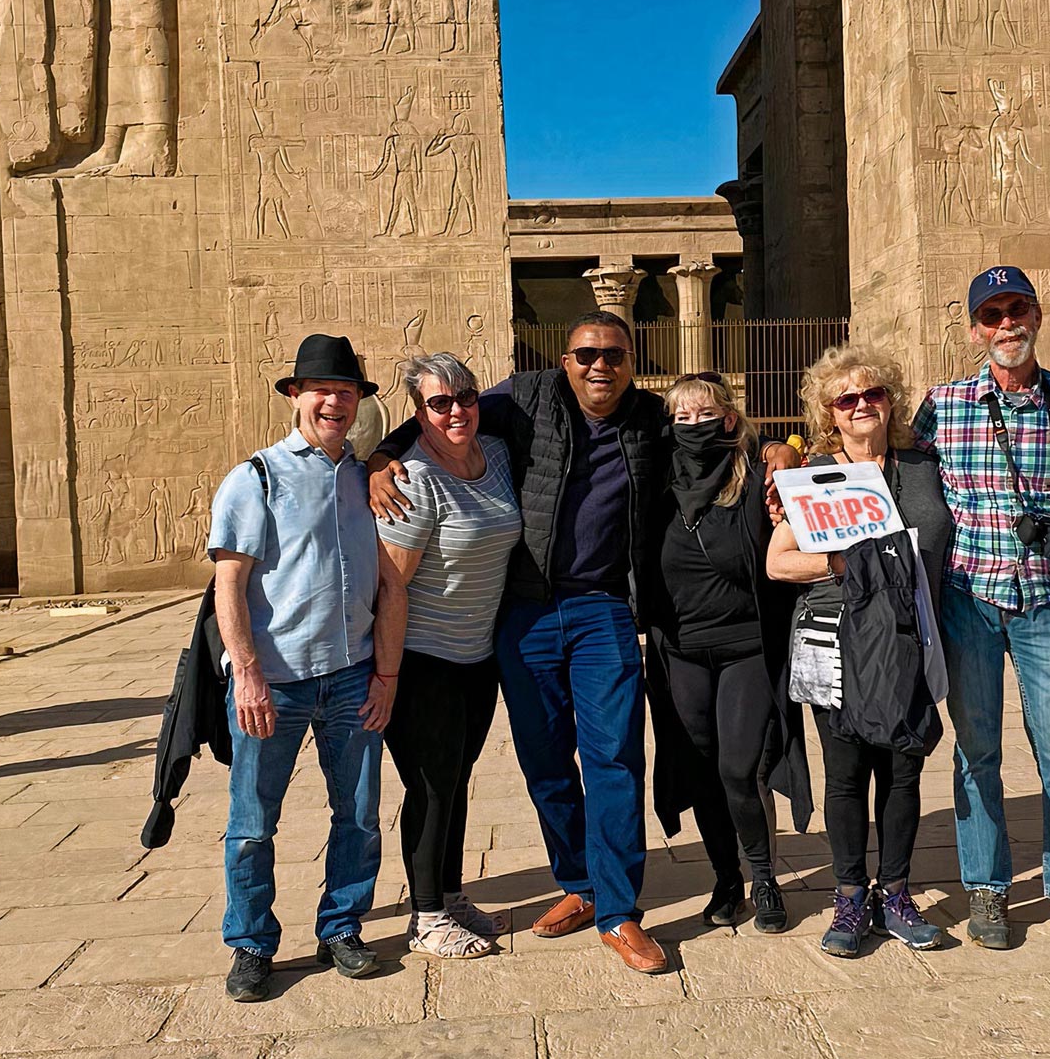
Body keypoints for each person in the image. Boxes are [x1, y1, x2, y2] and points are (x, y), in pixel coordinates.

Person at [370, 312, 798, 976]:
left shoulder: (651, 417)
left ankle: (619, 911)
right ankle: (579, 880)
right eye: (586, 353)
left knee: (614, 759)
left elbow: (719, 435)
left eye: (615, 355)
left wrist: (779, 451)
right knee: (544, 762)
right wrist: (378, 459)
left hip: (602, 609)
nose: (601, 365)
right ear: (566, 360)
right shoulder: (527, 398)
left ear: (631, 361)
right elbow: (442, 411)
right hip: (527, 612)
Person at [913, 265, 1050, 952]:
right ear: (975, 328)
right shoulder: (942, 405)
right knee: (977, 751)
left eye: (1018, 310)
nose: (1007, 324)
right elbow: (886, 471)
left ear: (1037, 316)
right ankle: (986, 887)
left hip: (1046, 599)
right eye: (993, 314)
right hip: (967, 598)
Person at [210, 334, 386, 1002]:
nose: (333, 403)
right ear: (295, 396)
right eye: (321, 391)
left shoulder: (364, 477)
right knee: (253, 824)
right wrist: (248, 673)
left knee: (361, 814)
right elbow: (231, 583)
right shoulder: (255, 477)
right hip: (274, 682)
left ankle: (341, 926)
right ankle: (252, 943)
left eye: (345, 392)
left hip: (350, 675)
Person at [769, 344, 952, 957]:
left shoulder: (924, 466)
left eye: (872, 394)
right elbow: (777, 562)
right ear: (830, 414)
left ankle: (895, 892)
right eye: (846, 400)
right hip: (834, 640)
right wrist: (844, 561)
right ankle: (850, 896)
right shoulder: (815, 476)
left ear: (890, 401)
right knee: (845, 775)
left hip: (908, 637)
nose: (861, 406)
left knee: (903, 771)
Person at [370, 352, 521, 959]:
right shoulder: (412, 479)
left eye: (465, 397)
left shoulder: (499, 456)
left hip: (476, 659)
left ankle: (450, 895)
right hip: (422, 660)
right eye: (439, 402)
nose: (455, 410)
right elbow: (391, 587)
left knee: (457, 782)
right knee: (430, 787)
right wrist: (386, 675)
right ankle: (427, 917)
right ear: (418, 412)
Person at [645, 372, 806, 936]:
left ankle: (763, 875)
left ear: (730, 419)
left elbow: (802, 462)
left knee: (739, 769)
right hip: (680, 650)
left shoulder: (760, 475)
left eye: (705, 415)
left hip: (745, 647)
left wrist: (786, 448)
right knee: (703, 769)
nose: (692, 427)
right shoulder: (654, 476)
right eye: (681, 418)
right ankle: (725, 878)